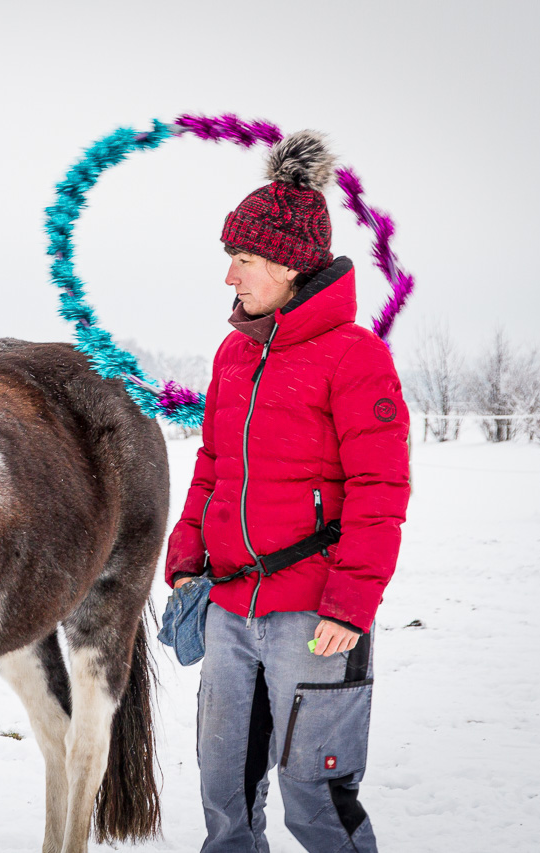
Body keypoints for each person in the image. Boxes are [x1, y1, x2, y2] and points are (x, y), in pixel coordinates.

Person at [165, 130, 411, 852]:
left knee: (315, 797)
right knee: (224, 794)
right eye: (230, 259)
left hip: (313, 614)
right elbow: (212, 462)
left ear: (290, 263)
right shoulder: (234, 353)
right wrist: (186, 555)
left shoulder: (355, 357)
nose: (230, 276)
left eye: (244, 260)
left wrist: (351, 603)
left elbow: (381, 487)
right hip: (230, 605)